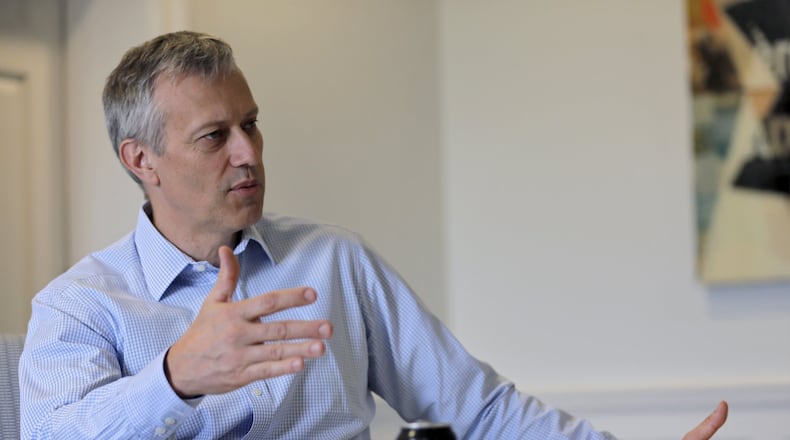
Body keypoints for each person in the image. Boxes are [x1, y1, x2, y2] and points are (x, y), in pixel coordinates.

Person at [19, 31, 728, 439]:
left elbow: (476, 408)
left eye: (251, 124)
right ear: (141, 161)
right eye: (215, 136)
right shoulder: (80, 306)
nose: (249, 153)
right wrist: (176, 378)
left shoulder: (334, 261)